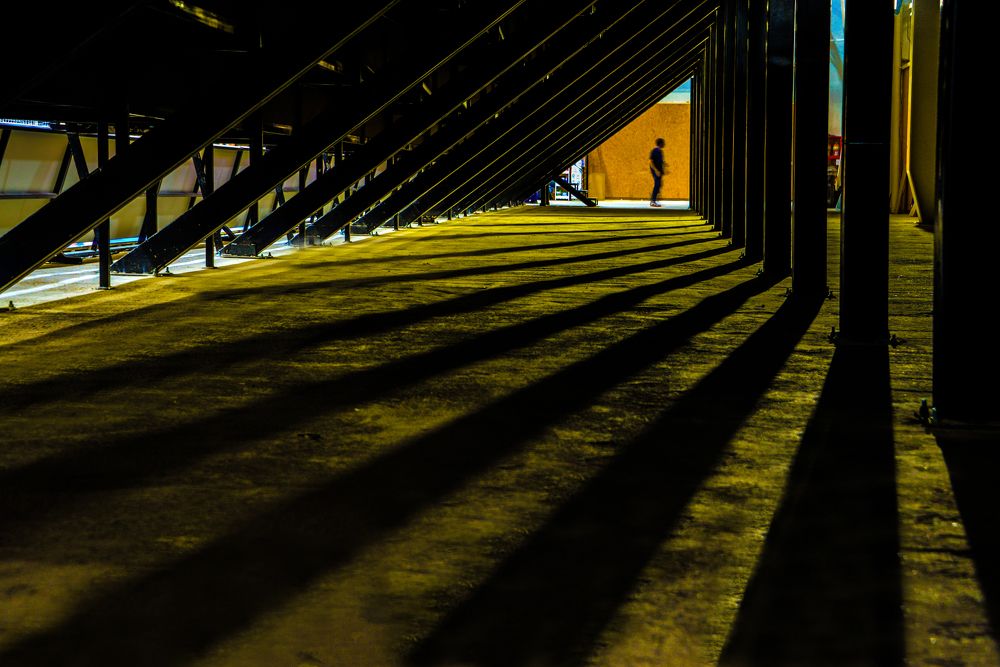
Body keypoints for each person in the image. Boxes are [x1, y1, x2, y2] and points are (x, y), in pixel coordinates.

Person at [648, 137, 665, 207]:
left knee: (659, 185)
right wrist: (656, 170)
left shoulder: (660, 151)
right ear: (660, 144)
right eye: (663, 143)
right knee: (657, 185)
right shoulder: (655, 150)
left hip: (659, 172)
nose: (664, 144)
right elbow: (650, 162)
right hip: (656, 172)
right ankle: (653, 201)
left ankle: (654, 198)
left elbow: (659, 161)